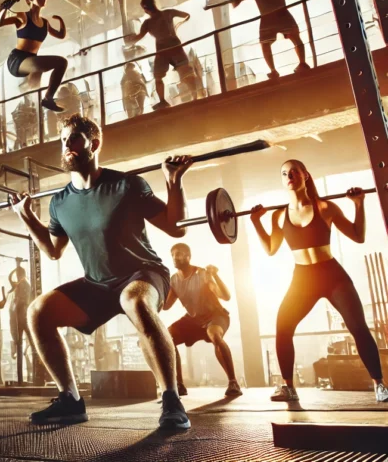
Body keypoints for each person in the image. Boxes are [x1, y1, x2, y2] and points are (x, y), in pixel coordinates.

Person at [9, 114, 193, 430]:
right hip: (99, 284)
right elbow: (53, 251)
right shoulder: (60, 202)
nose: (67, 145)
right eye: (63, 140)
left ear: (94, 144)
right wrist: (26, 217)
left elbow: (176, 228)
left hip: (144, 273)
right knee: (38, 311)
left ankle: (172, 400)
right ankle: (70, 399)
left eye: (74, 139)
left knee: (134, 301)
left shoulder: (127, 185)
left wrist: (174, 182)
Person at [250, 160, 388, 404]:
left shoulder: (325, 207)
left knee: (358, 327)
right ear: (283, 181)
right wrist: (256, 222)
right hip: (303, 279)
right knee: (283, 327)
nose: (289, 176)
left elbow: (358, 235)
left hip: (332, 276)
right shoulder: (279, 216)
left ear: (305, 175)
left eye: (294, 171)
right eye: (284, 173)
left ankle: (380, 385)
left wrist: (359, 204)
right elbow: (271, 249)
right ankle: (288, 387)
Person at [161, 243, 241, 397]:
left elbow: (226, 296)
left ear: (188, 257)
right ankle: (179, 385)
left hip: (215, 315)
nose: (175, 257)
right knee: (167, 339)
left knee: (215, 335)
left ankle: (233, 383)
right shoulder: (174, 280)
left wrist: (215, 276)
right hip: (193, 320)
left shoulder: (202, 274)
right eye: (173, 255)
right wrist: (156, 287)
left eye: (178, 254)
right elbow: (166, 306)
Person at [218, 0, 313, 79]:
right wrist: (235, 0)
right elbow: (238, 0)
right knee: (265, 44)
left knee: (294, 37)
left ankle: (302, 63)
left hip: (281, 14)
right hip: (268, 19)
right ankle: (273, 70)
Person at [0, 0, 69, 113]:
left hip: (30, 61)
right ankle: (46, 98)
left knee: (59, 64)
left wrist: (61, 21)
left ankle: (37, 98)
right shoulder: (23, 16)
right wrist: (4, 9)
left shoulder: (44, 23)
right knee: (60, 62)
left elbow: (61, 35)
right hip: (17, 60)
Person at [125, 0, 196, 111]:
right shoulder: (167, 13)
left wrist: (129, 40)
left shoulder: (149, 22)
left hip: (164, 50)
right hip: (173, 47)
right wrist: (176, 28)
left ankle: (165, 101)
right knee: (183, 71)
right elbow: (186, 15)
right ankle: (194, 95)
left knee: (162, 76)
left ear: (145, 9)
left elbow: (138, 38)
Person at [8, 263, 33, 360]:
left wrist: (15, 304)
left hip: (23, 316)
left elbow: (23, 300)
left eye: (18, 275)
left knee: (28, 341)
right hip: (19, 317)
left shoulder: (24, 284)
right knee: (19, 343)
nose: (17, 277)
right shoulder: (20, 284)